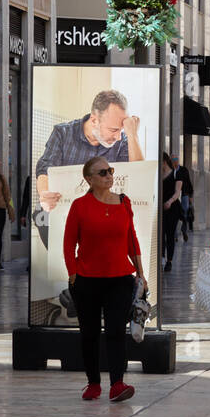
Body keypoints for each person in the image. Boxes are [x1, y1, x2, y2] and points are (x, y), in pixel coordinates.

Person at [62, 156, 146, 402]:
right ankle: (93, 383)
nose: (109, 175)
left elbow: (132, 240)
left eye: (110, 171)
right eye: (102, 173)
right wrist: (73, 273)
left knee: (115, 331)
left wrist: (140, 274)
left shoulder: (124, 202)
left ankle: (118, 384)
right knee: (89, 333)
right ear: (89, 179)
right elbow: (69, 244)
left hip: (120, 278)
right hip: (86, 280)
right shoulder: (80, 205)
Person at [36, 90, 144, 213]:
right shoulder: (63, 133)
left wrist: (132, 135)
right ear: (94, 121)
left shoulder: (122, 141)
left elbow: (139, 177)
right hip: (60, 209)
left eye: (121, 130)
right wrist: (44, 194)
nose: (118, 137)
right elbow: (45, 168)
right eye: (113, 130)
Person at [161, 153, 184, 273]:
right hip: (160, 208)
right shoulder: (159, 174)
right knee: (160, 234)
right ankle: (162, 258)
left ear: (164, 161)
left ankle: (169, 261)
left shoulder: (176, 173)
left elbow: (177, 192)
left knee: (170, 235)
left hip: (172, 208)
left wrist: (169, 202)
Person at [173, 156, 194, 239]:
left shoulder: (184, 170)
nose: (175, 161)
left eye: (176, 160)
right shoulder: (170, 171)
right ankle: (175, 235)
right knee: (175, 215)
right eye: (173, 160)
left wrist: (191, 194)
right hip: (174, 195)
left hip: (184, 194)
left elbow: (188, 182)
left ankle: (184, 230)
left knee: (184, 214)